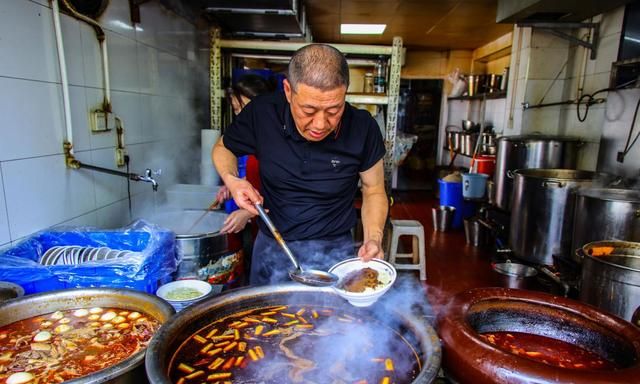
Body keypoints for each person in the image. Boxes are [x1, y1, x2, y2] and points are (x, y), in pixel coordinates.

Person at [212, 44, 388, 286]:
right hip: (273, 246)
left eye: (334, 110)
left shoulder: (362, 127)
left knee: (331, 323)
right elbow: (224, 148)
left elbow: (374, 189)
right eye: (309, 110)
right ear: (287, 90)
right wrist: (233, 181)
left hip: (334, 252)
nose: (320, 124)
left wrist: (374, 239)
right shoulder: (263, 113)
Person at [216, 74, 272, 234]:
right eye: (236, 109)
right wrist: (234, 183)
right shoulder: (253, 137)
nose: (241, 115)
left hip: (282, 233)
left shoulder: (277, 138)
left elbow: (288, 191)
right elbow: (263, 179)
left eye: (244, 108)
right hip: (262, 231)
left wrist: (248, 212)